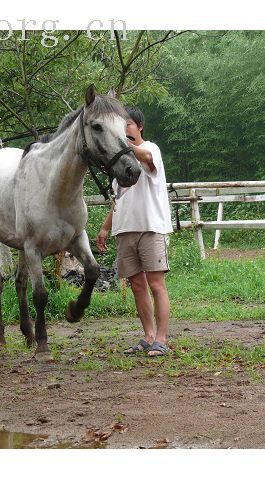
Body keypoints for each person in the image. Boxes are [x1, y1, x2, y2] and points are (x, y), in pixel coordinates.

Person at [96, 106, 173, 356]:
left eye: (128, 124)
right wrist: (106, 227)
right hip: (125, 229)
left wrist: (122, 146)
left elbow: (147, 158)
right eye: (121, 126)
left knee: (156, 284)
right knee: (137, 285)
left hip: (150, 227)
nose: (125, 129)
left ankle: (161, 339)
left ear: (139, 126)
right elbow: (120, 198)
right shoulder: (123, 163)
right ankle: (148, 336)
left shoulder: (151, 148)